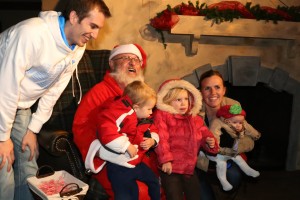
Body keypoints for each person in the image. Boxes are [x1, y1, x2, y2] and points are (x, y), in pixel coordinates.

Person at [0, 1, 111, 199]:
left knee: (29, 159)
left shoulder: (78, 46)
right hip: (3, 94)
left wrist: (33, 129)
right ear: (75, 17)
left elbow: (55, 88)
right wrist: (3, 137)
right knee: (4, 168)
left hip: (20, 103)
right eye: (92, 26)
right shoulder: (31, 33)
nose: (95, 35)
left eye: (98, 29)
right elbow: (7, 85)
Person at [72, 43, 157, 199]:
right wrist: (102, 151)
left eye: (136, 60)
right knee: (139, 192)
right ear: (112, 64)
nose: (132, 63)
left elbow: (151, 123)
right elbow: (81, 127)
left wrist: (153, 140)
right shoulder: (99, 92)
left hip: (142, 156)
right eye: (125, 58)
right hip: (112, 159)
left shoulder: (144, 93)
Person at [153, 79, 219, 200]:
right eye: (178, 100)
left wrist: (209, 142)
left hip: (189, 167)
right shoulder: (162, 116)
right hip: (170, 167)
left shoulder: (195, 119)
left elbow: (204, 134)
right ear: (168, 101)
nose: (183, 103)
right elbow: (162, 139)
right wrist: (166, 160)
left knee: (195, 195)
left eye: (186, 99)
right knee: (174, 195)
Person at [197, 69, 256, 200]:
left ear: (224, 90)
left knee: (234, 176)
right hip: (200, 163)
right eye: (207, 88)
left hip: (227, 157)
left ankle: (223, 191)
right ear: (201, 92)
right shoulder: (193, 109)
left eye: (217, 87)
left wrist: (232, 150)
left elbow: (249, 139)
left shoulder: (234, 105)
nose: (213, 93)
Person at [96, 80, 160, 200]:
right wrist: (126, 146)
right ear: (136, 107)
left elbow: (154, 130)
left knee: (154, 182)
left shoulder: (144, 118)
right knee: (127, 194)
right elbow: (106, 132)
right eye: (149, 109)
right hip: (118, 165)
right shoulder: (117, 113)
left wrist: (153, 141)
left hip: (136, 161)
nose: (151, 113)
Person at [207, 104, 261, 191]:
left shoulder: (238, 122)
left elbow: (247, 131)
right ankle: (224, 181)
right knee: (222, 164)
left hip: (231, 150)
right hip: (217, 152)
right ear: (226, 120)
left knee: (239, 158)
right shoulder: (217, 123)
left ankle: (248, 170)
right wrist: (216, 148)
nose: (238, 125)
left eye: (240, 122)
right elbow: (213, 137)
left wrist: (251, 134)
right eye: (235, 122)